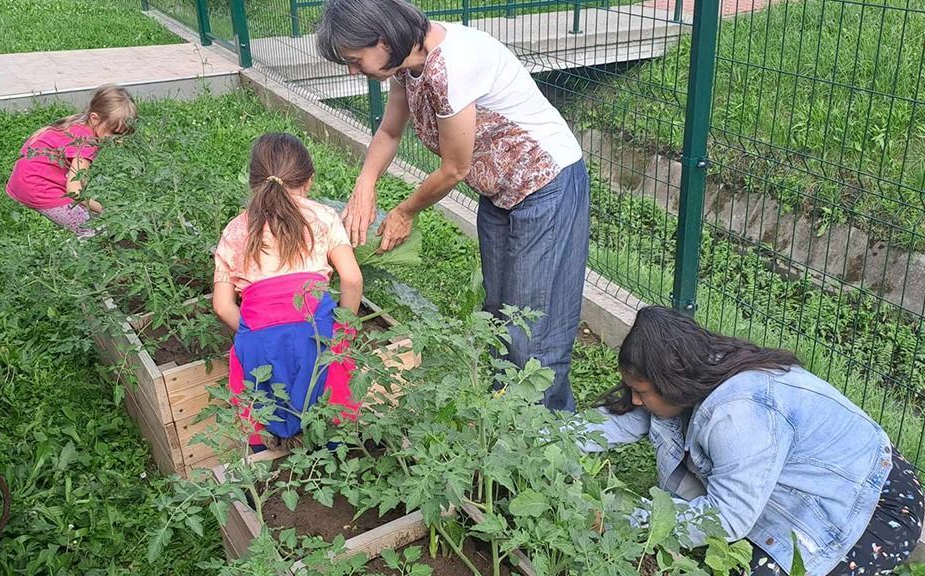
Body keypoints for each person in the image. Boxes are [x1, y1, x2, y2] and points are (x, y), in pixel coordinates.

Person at [316, 0, 589, 411]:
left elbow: (454, 167)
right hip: (500, 190)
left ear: (384, 39)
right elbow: (390, 131)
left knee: (533, 322)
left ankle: (549, 435)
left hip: (545, 183)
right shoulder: (407, 63)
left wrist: (404, 212)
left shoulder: (452, 66)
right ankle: (501, 417)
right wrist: (365, 184)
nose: (356, 72)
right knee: (500, 312)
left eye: (356, 61)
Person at [578, 306, 923, 576]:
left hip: (874, 503)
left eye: (640, 391)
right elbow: (619, 419)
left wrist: (625, 520)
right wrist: (541, 438)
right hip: (827, 479)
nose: (635, 400)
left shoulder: (739, 415)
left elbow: (727, 518)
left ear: (671, 382)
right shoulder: (694, 370)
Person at [212, 133, 364, 451]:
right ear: (308, 181)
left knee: (261, 413)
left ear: (254, 183)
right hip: (315, 332)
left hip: (259, 339)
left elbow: (222, 306)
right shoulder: (322, 217)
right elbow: (350, 279)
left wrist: (254, 331)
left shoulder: (235, 229)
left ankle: (264, 473)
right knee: (331, 413)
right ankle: (335, 466)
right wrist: (343, 333)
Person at [6, 84, 136, 238]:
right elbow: (74, 192)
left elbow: (80, 178)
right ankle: (84, 256)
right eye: (114, 133)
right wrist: (105, 209)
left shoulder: (78, 125)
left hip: (24, 181)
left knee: (89, 216)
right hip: (38, 189)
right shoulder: (86, 143)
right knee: (92, 229)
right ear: (95, 119)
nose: (119, 141)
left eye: (123, 135)